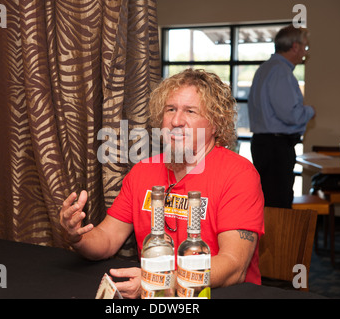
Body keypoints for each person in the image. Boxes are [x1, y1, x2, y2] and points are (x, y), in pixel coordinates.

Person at [60, 69, 264, 298]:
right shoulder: (142, 172)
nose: (177, 121)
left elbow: (233, 267)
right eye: (171, 110)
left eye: (190, 111)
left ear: (215, 124)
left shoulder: (239, 174)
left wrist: (162, 281)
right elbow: (106, 240)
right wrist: (77, 237)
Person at [248, 25, 315, 209]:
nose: (304, 52)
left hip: (264, 144)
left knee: (268, 202)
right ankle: (278, 240)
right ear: (295, 46)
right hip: (276, 148)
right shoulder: (280, 71)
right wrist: (310, 111)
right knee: (278, 205)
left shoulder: (266, 68)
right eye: (305, 47)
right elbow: (289, 115)